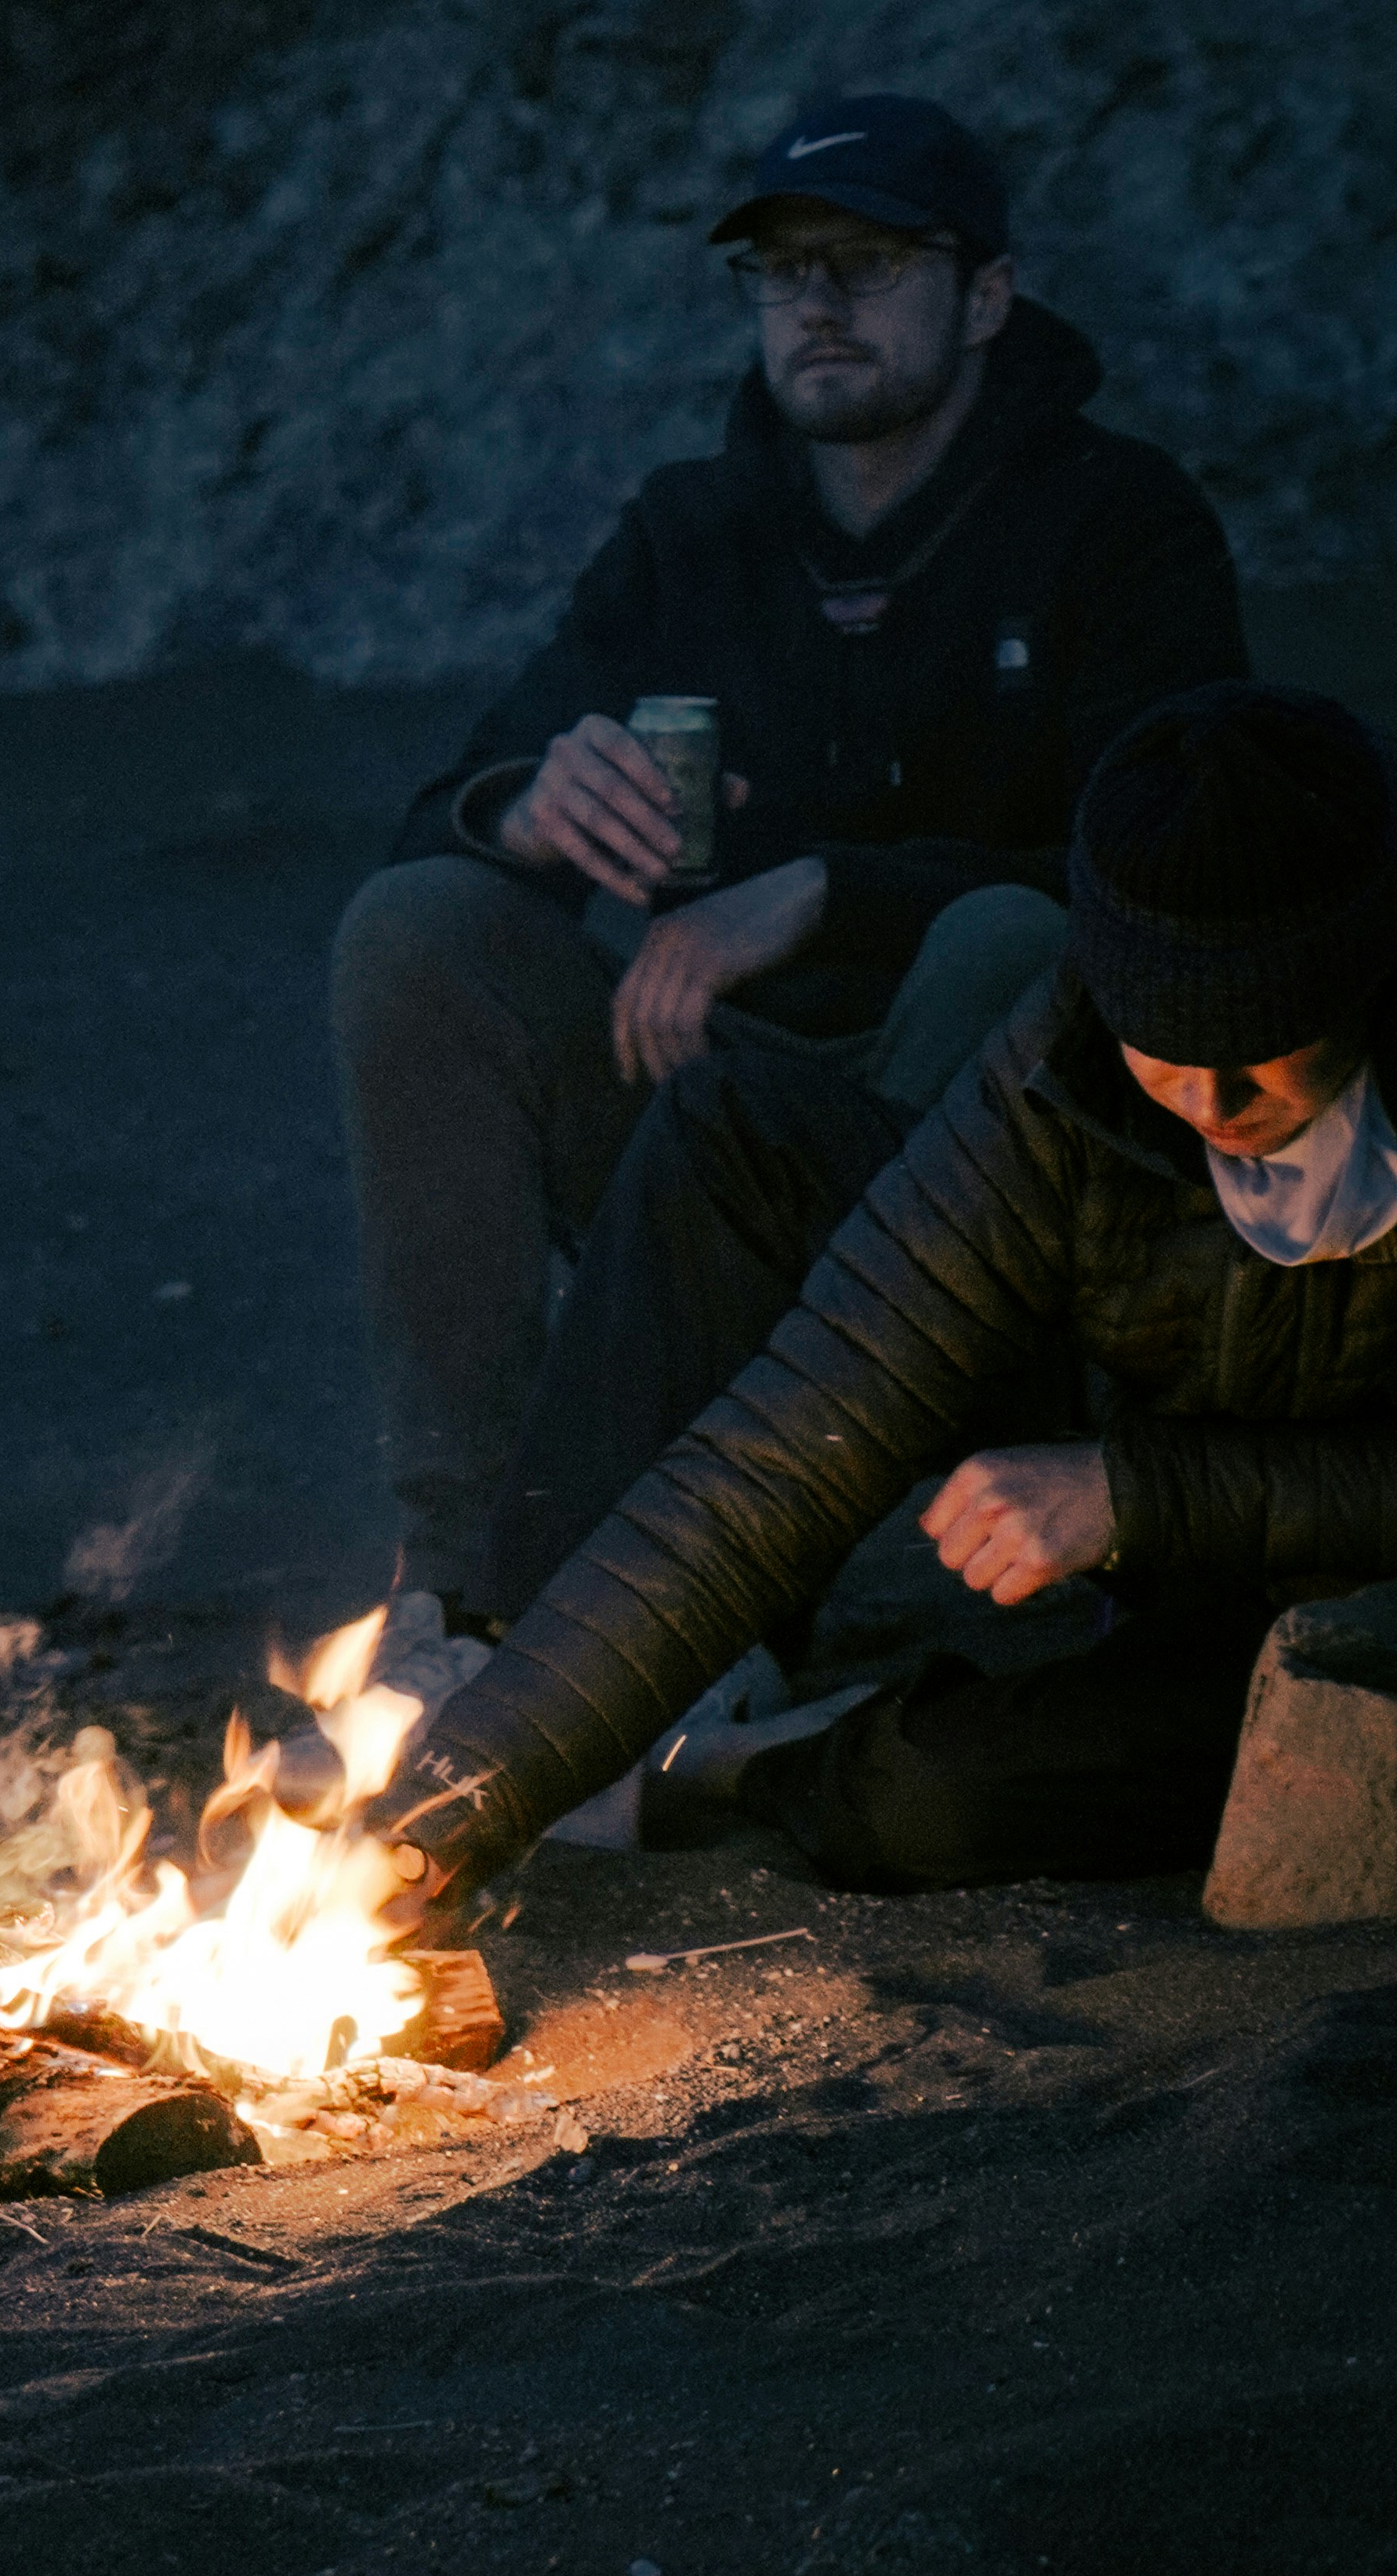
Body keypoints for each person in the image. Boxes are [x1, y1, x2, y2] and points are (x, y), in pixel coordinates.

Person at [330, 96, 1245, 1630]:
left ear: (983, 294)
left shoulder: (1112, 519)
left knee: (1005, 939)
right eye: (778, 269)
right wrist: (526, 804)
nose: (813, 302)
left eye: (866, 261)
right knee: (416, 926)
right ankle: (469, 1586)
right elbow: (451, 800)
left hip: (980, 1154)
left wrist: (829, 886)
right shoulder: (692, 533)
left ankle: (882, 1546)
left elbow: (1180, 865)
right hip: (695, 1125)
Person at [367, 684, 1397, 1907]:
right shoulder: (1063, 1072)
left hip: (1348, 1586)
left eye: (1266, 1050)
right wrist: (469, 1790)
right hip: (1187, 1547)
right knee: (751, 1161)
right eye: (1170, 1053)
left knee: (933, 1798)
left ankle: (737, 1773)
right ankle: (580, 1720)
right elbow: (783, 1451)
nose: (1217, 1107)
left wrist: (1140, 1494)